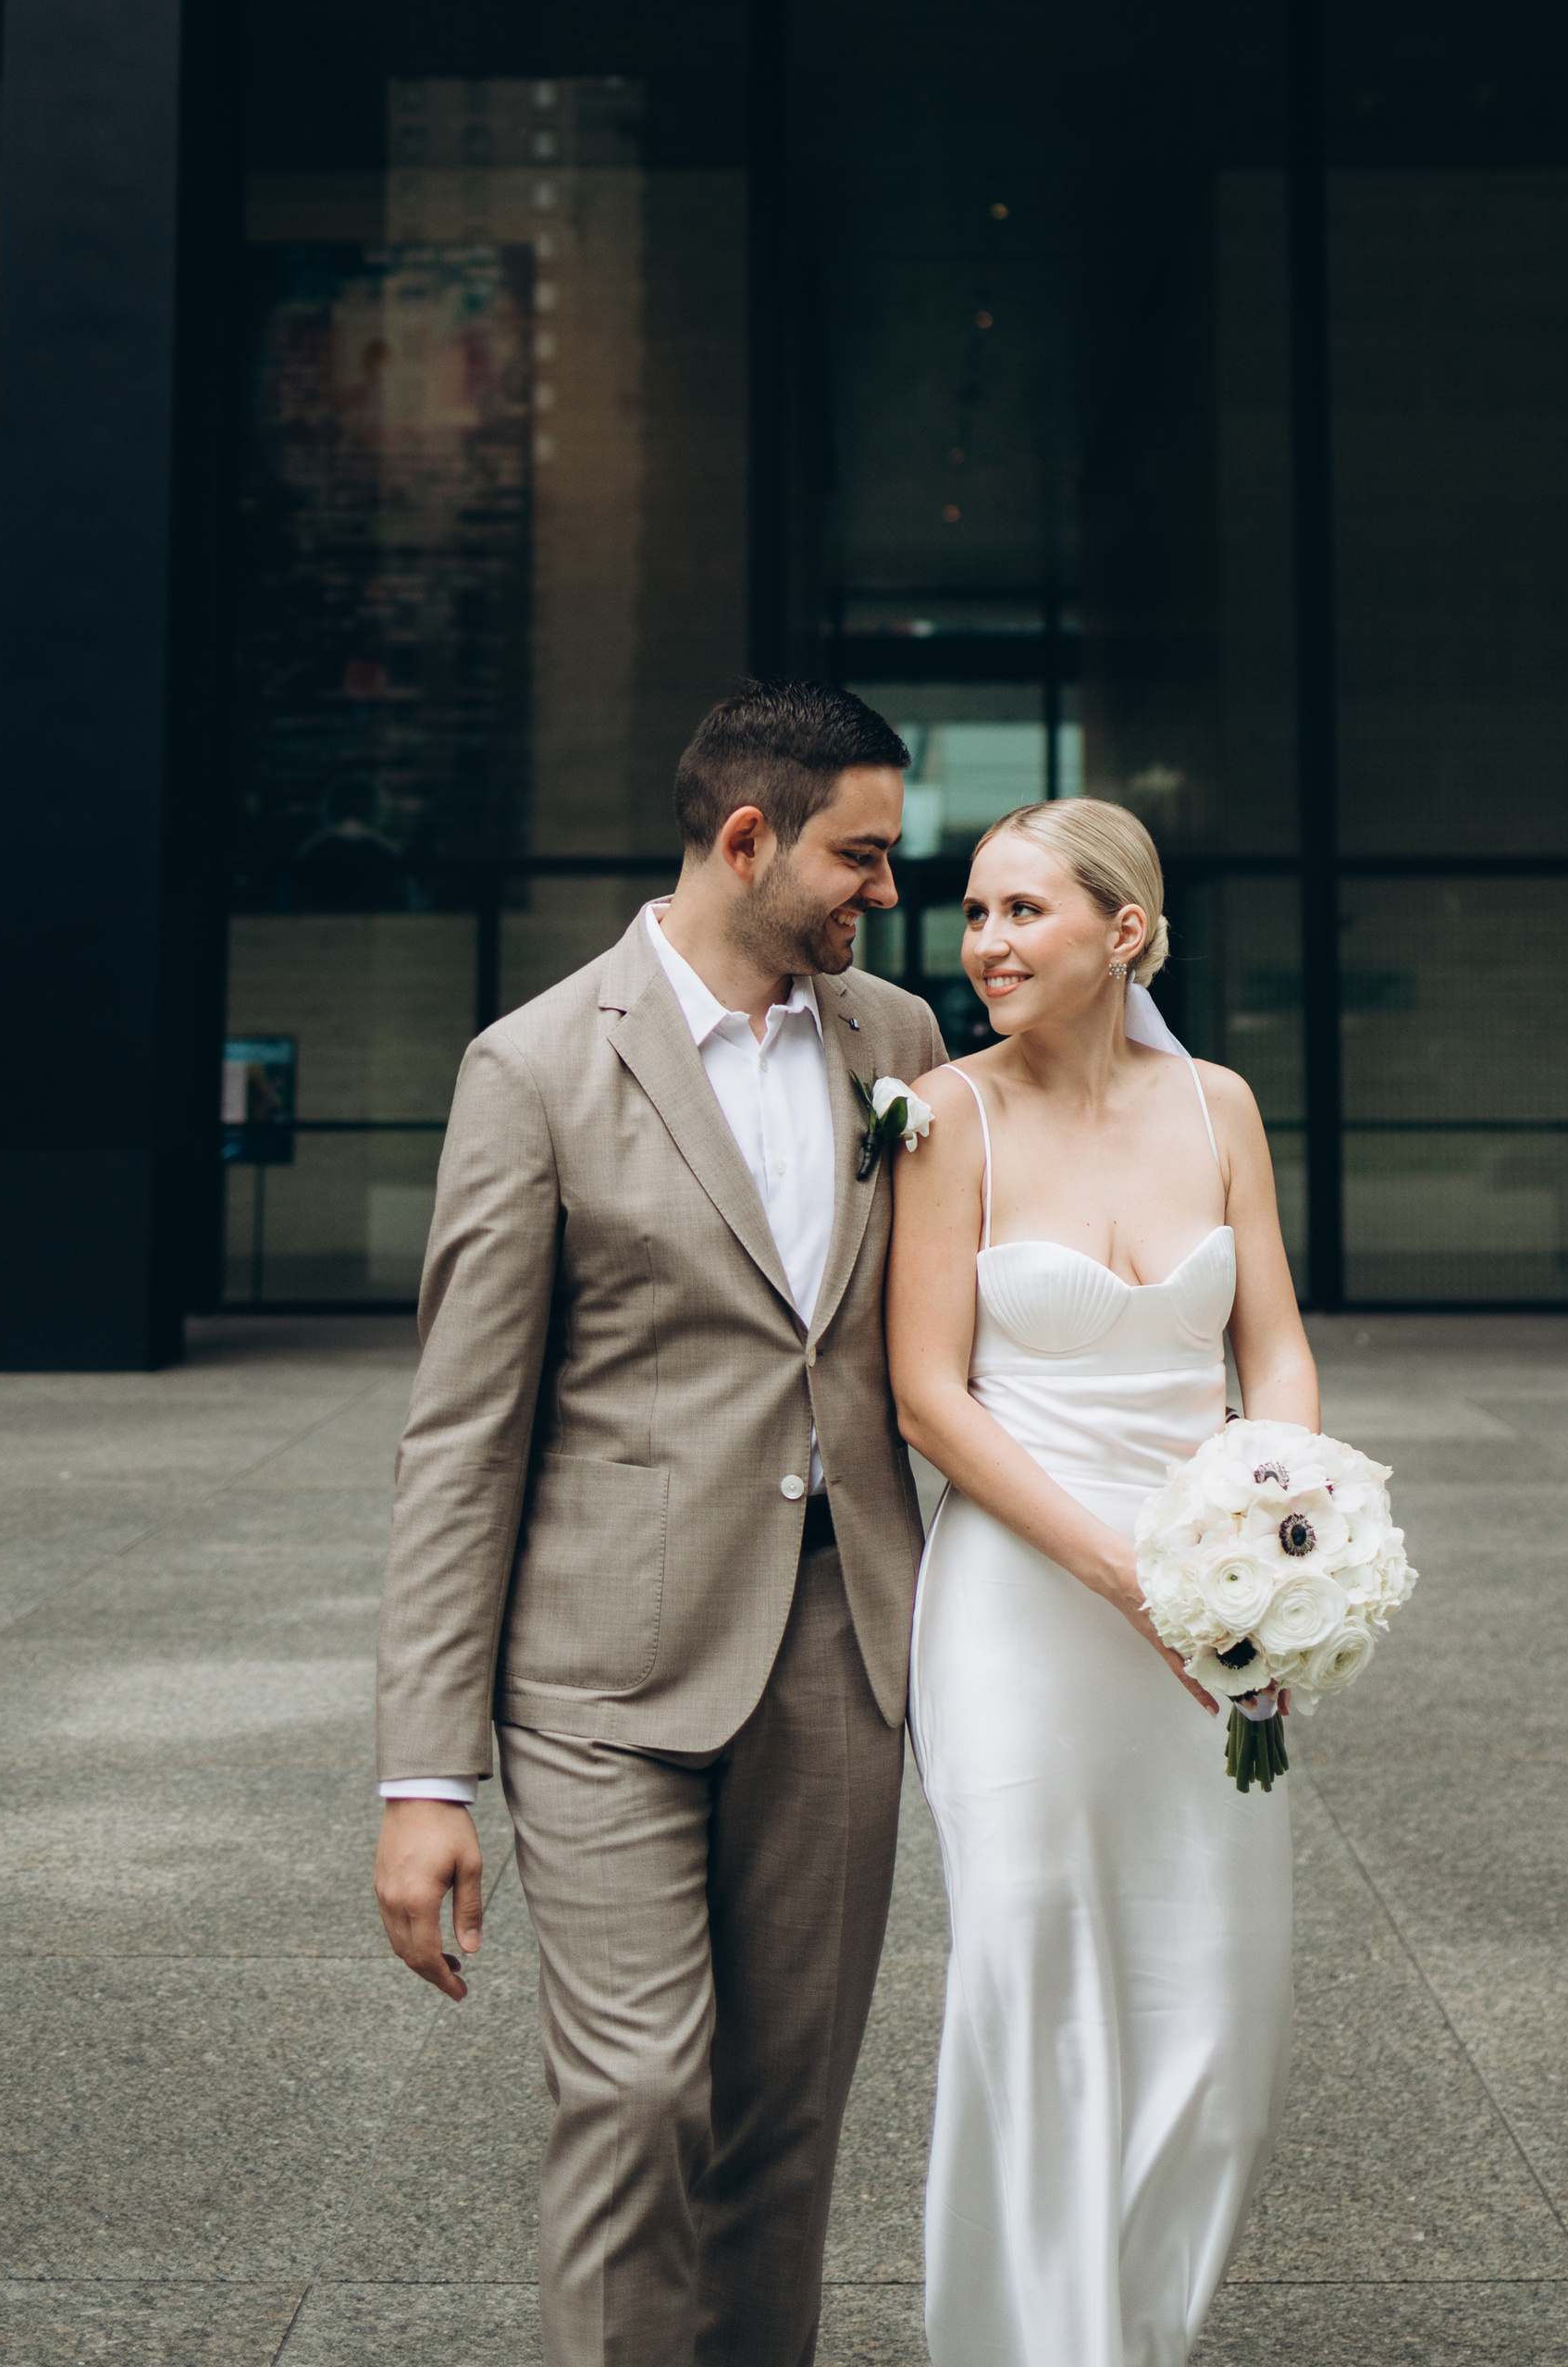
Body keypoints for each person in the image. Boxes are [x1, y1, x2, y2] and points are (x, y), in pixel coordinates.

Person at [371, 677, 945, 2367]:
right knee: (634, 2092)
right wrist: (424, 1779)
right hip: (601, 1676)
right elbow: (461, 1439)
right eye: (861, 855)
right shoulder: (535, 1066)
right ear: (748, 839)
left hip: (843, 1652)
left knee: (787, 2114)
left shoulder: (902, 1044)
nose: (887, 889)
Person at [887, 797, 1318, 2367]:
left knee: (1219, 1992)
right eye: (974, 913)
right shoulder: (947, 1114)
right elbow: (927, 1393)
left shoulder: (1220, 1105)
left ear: (1124, 930)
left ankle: (1135, 2334)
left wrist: (1283, 1538)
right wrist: (1124, 1577)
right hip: (1019, 1600)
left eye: (1023, 911)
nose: (984, 944)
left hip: (1214, 1599)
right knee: (1029, 1962)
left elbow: (1273, 1346)